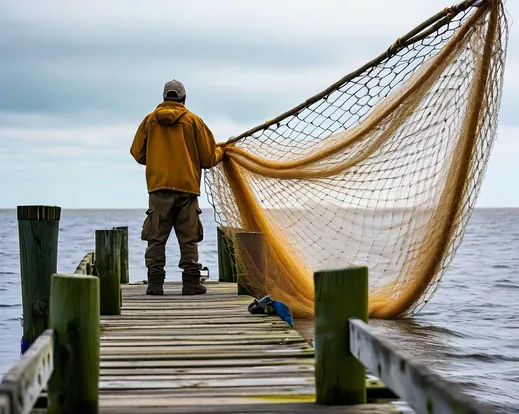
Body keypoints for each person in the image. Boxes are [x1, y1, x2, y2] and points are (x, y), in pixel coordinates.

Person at [130, 79, 224, 296]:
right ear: (183, 99)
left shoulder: (149, 121)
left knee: (155, 238)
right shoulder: (194, 121)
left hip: (158, 188)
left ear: (164, 98)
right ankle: (191, 283)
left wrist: (155, 161)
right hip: (187, 189)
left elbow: (137, 153)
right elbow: (209, 158)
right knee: (189, 237)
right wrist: (223, 151)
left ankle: (155, 285)